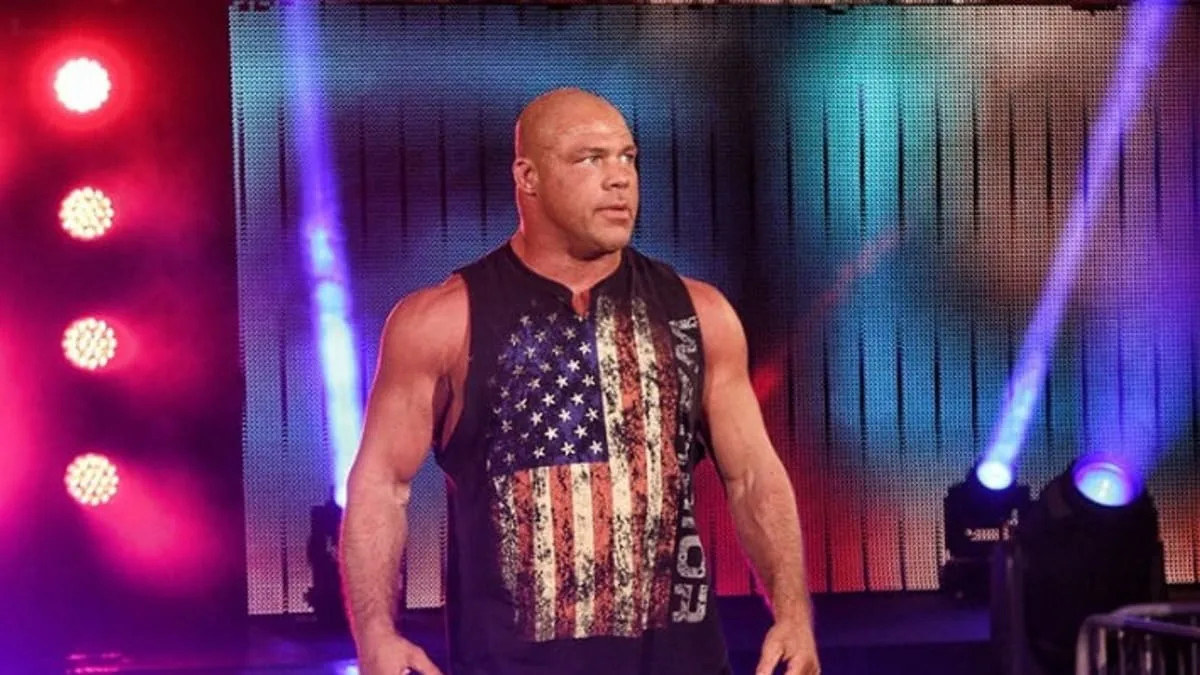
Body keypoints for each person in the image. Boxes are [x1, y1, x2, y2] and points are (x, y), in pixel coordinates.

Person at [339, 87, 819, 675]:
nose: (620, 178)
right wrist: (376, 634)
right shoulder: (442, 321)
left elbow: (752, 477)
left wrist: (792, 613)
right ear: (528, 177)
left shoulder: (699, 314)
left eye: (628, 157)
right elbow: (382, 485)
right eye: (591, 159)